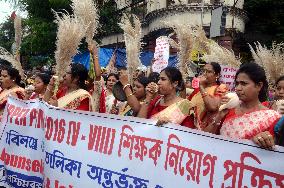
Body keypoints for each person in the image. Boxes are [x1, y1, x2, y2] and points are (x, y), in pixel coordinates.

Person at [204, 63, 281, 149]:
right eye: (237, 83)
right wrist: (219, 116)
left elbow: (274, 150)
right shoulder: (228, 110)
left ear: (259, 86)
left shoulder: (271, 118)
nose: (238, 88)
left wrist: (262, 140)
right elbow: (203, 139)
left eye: (244, 84)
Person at [188, 62, 227, 131]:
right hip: (190, 129)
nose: (204, 74)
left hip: (207, 131)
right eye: (203, 71)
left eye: (209, 72)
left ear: (217, 75)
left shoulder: (221, 88)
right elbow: (187, 106)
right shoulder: (197, 90)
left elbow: (212, 107)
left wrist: (201, 87)